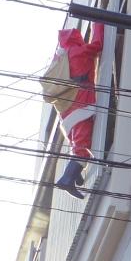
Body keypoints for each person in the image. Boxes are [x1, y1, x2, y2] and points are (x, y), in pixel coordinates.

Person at [42, 23, 104, 199]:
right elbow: (98, 45)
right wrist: (98, 23)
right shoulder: (77, 52)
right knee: (82, 146)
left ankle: (76, 174)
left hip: (65, 111)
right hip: (81, 104)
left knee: (77, 144)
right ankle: (68, 179)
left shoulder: (59, 60)